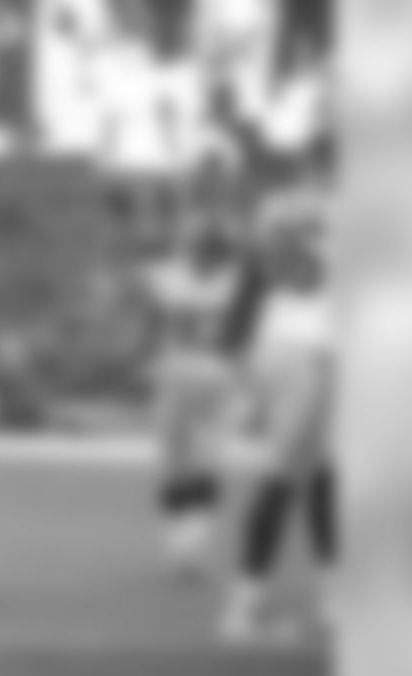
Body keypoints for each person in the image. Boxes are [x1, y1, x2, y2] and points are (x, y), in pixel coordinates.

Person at [217, 171, 335, 644]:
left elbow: (239, 316)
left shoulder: (290, 221)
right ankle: (243, 610)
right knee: (285, 479)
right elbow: (299, 276)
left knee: (323, 477)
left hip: (300, 352)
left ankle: (333, 600)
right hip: (307, 355)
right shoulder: (305, 226)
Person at [136, 211, 246, 577]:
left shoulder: (233, 283)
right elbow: (149, 324)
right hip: (181, 371)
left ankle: (190, 543)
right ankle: (182, 543)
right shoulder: (169, 279)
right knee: (179, 462)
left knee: (202, 462)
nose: (203, 255)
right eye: (200, 248)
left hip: (211, 374)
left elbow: (245, 333)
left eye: (209, 249)